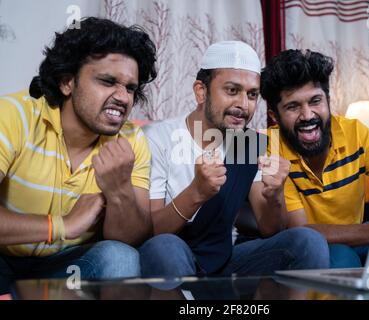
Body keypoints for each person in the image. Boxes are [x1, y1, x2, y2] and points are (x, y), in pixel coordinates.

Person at [140, 41, 329, 277]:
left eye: (252, 95)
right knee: (163, 247)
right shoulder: (157, 137)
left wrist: (275, 194)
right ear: (201, 91)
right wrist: (196, 192)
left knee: (307, 241)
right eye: (232, 90)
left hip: (225, 258)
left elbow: (271, 229)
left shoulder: (247, 143)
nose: (243, 104)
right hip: (172, 254)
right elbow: (150, 233)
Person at [0, 17, 156, 294]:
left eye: (130, 88)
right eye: (108, 81)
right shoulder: (14, 116)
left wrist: (120, 191)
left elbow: (130, 240)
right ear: (67, 83)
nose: (123, 97)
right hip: (3, 257)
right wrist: (61, 225)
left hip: (65, 266)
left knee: (120, 256)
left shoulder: (131, 141)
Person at [260, 49, 369, 268]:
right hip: (312, 251)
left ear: (328, 100)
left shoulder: (357, 133)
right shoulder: (270, 148)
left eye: (315, 101)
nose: (307, 115)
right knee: (341, 258)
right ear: (274, 117)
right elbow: (302, 232)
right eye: (293, 106)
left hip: (359, 240)